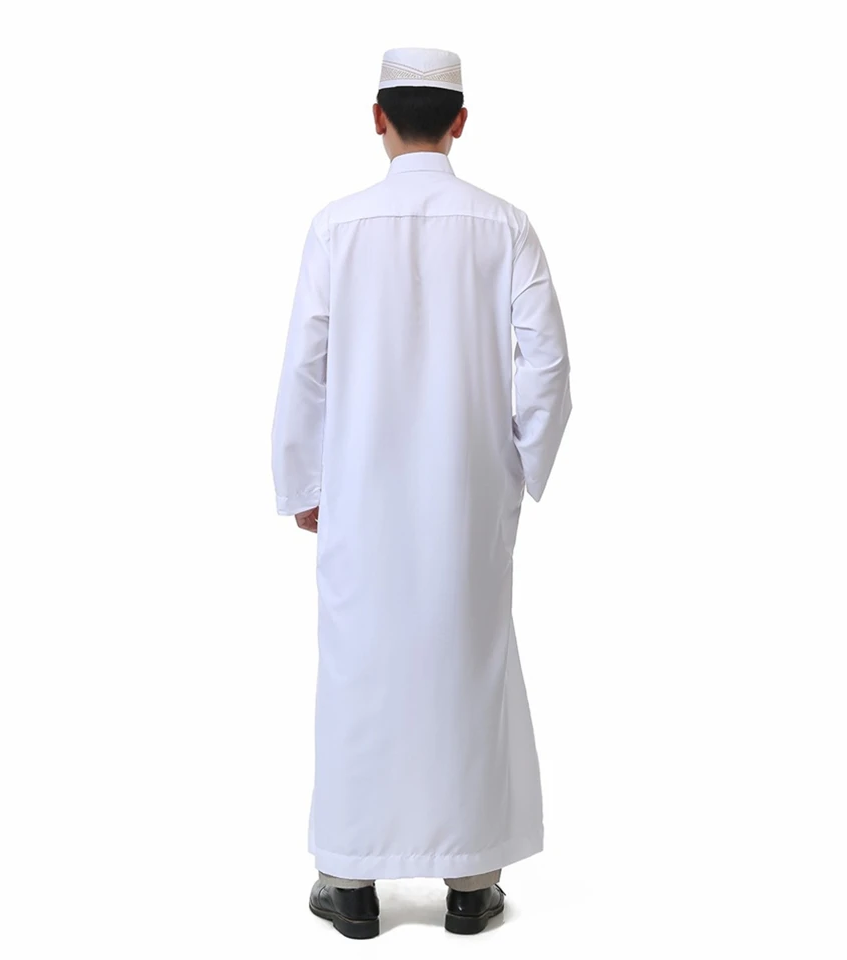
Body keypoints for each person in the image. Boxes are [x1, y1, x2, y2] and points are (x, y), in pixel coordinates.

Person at [271, 46, 571, 939]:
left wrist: (303, 481)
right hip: (467, 493)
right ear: (460, 122)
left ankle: (350, 883)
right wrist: (520, 462)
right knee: (465, 664)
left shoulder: (336, 227)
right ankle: (472, 883)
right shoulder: (504, 226)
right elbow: (548, 364)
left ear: (377, 118)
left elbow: (306, 364)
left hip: (358, 489)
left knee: (358, 671)